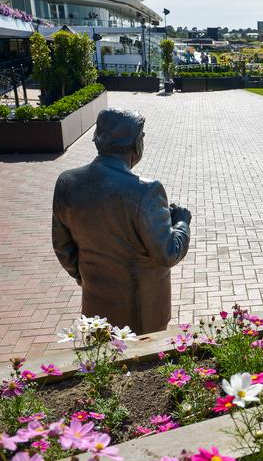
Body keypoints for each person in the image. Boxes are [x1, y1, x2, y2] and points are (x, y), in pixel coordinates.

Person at [52, 108, 192, 335]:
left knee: (104, 360)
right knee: (143, 366)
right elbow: (169, 252)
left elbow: (62, 247)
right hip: (142, 310)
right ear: (136, 144)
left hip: (96, 304)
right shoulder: (146, 190)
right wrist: (182, 222)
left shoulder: (67, 182)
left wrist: (87, 278)